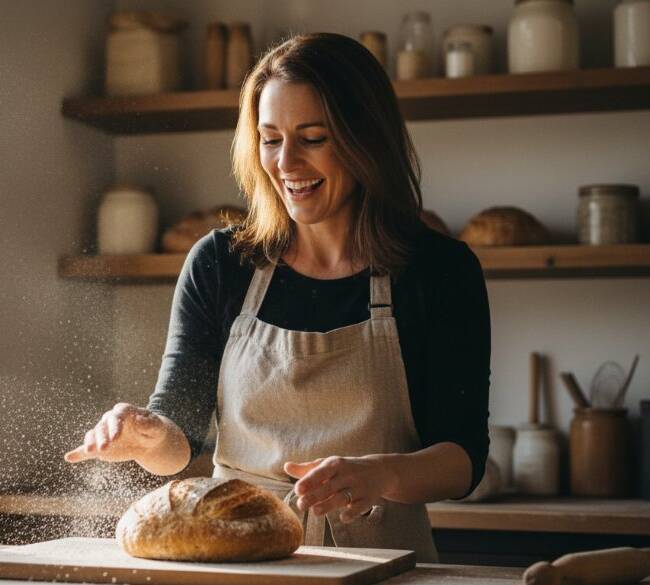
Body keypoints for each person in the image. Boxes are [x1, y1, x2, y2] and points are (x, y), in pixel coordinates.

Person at [65, 32, 490, 561]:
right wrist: (148, 436)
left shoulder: (438, 271)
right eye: (270, 138)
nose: (286, 162)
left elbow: (462, 458)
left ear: (365, 140)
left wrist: (381, 474)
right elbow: (181, 436)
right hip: (237, 551)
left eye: (312, 138)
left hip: (381, 561)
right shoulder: (221, 264)